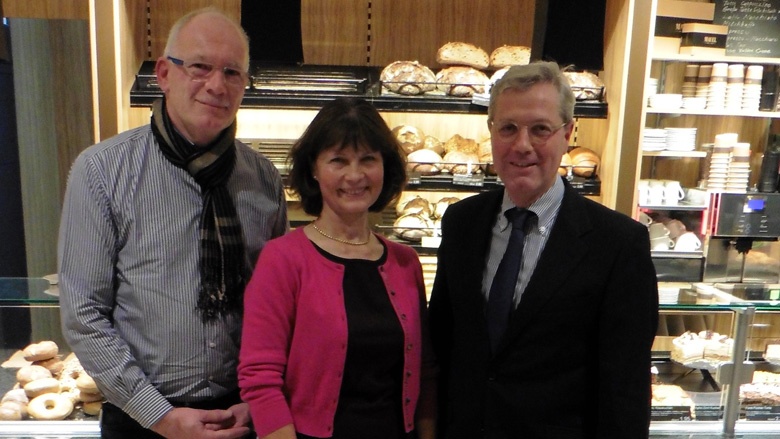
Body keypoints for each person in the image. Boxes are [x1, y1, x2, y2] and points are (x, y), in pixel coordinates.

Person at [58, 7, 288, 439]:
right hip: (142, 420)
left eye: (233, 73)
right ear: (164, 73)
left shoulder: (262, 178)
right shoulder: (102, 172)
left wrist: (261, 400)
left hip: (241, 417)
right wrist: (159, 416)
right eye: (200, 67)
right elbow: (84, 314)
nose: (217, 85)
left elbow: (280, 307)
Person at [428, 61, 659, 439]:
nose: (522, 146)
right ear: (491, 132)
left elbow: (625, 390)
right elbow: (444, 343)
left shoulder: (617, 243)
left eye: (540, 129)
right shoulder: (461, 222)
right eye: (508, 128)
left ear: (568, 132)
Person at [238, 97, 436, 439]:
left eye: (368, 160)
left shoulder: (405, 263)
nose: (355, 175)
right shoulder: (283, 259)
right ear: (314, 169)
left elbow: (425, 372)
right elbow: (260, 378)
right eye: (338, 160)